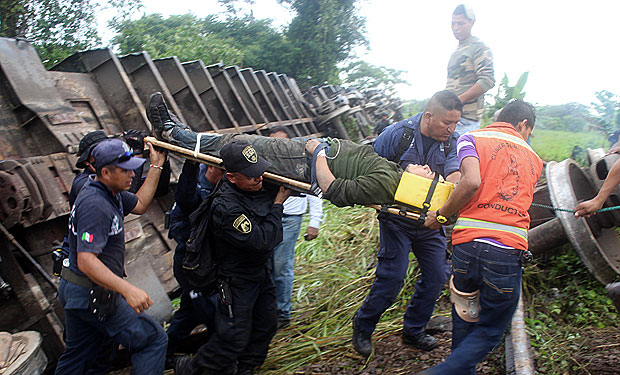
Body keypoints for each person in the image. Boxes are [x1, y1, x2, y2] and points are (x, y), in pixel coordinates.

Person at [421, 99, 542, 374]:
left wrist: (441, 216)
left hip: (466, 245)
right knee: (490, 330)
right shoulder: (534, 157)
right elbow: (477, 185)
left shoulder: (471, 138)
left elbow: (471, 180)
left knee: (465, 314)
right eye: (529, 131)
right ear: (523, 125)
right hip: (506, 251)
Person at [147, 92, 434, 207]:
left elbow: (333, 191)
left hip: (303, 160)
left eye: (429, 174)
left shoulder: (386, 184)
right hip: (305, 155)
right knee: (239, 144)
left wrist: (319, 151)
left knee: (237, 146)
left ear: (419, 185)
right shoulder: (393, 174)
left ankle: (172, 133)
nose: (428, 168)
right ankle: (181, 134)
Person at [350, 90, 462, 357]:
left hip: (431, 222)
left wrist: (457, 191)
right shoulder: (398, 135)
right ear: (428, 116)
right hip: (396, 220)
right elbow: (367, 168)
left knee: (437, 275)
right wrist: (402, 174)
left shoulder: (452, 141)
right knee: (393, 277)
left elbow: (455, 172)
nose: (452, 128)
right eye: (447, 122)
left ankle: (413, 329)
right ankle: (363, 326)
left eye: (456, 122)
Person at [175, 141, 291, 375]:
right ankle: (191, 368)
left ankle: (246, 367)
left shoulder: (254, 185)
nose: (259, 178)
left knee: (266, 323)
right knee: (233, 338)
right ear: (231, 177)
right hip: (236, 280)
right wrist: (278, 205)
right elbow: (263, 241)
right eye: (251, 176)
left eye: (259, 172)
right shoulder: (226, 207)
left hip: (259, 273)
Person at [55, 139, 169, 375]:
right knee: (152, 340)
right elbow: (87, 261)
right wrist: (128, 290)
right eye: (125, 170)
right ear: (105, 172)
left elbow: (139, 204)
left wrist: (156, 166)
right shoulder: (95, 204)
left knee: (80, 357)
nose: (132, 175)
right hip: (90, 292)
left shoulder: (111, 191)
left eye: (133, 168)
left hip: (78, 290)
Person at [166, 161, 223, 357]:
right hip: (192, 267)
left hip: (207, 265)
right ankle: (218, 359)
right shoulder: (194, 190)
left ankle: (165, 351)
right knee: (213, 313)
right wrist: (191, 163)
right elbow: (185, 199)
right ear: (212, 167)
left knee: (188, 314)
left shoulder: (219, 187)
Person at [268, 126, 323, 329]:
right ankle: (268, 308)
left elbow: (313, 191)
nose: (279, 145)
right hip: (267, 218)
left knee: (282, 265)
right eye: (274, 142)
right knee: (266, 265)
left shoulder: (299, 161)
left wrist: (314, 222)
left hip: (290, 219)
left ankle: (283, 312)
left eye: (283, 141)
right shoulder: (265, 161)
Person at [447, 4, 495, 133]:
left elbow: (487, 80)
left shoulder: (479, 47)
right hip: (450, 116)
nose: (456, 28)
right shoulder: (457, 50)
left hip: (466, 118)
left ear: (472, 22)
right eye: (453, 24)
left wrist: (459, 100)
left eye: (461, 24)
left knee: (460, 153)